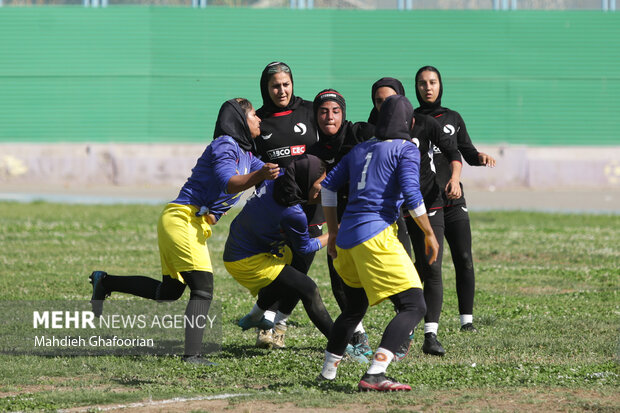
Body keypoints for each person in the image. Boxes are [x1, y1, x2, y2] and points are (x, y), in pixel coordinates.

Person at [88, 98, 280, 365]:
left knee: (170, 291)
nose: (259, 119)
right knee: (203, 287)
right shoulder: (225, 144)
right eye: (254, 115)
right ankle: (192, 355)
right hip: (181, 218)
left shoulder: (248, 156)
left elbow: (278, 178)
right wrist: (260, 177)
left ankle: (105, 281)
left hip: (188, 222)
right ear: (239, 120)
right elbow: (229, 182)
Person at [318, 95, 439, 391]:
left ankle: (327, 373)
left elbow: (328, 187)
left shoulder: (360, 149)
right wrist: (429, 232)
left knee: (354, 308)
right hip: (375, 236)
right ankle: (375, 372)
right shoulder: (406, 149)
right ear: (409, 123)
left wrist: (333, 232)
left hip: (346, 239)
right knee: (414, 304)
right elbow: (412, 194)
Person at [367, 77, 463, 359]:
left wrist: (455, 178)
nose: (385, 105)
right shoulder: (370, 131)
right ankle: (405, 330)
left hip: (427, 201)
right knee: (404, 272)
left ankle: (430, 334)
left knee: (431, 266)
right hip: (394, 209)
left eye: (391, 99)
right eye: (379, 101)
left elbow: (453, 153)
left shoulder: (423, 122)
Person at [414, 65, 496, 334]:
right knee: (429, 264)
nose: (428, 87)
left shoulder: (453, 118)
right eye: (423, 83)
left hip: (453, 199)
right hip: (426, 202)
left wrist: (480, 158)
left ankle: (466, 320)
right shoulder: (411, 120)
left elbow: (467, 153)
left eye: (433, 82)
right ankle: (415, 315)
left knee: (464, 257)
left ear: (440, 86)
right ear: (416, 88)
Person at [224, 154, 333, 343]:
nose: (324, 188)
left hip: (238, 247)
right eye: (321, 182)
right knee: (309, 289)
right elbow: (306, 247)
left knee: (287, 276)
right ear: (305, 181)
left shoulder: (279, 178)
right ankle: (341, 346)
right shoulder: (294, 213)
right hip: (246, 260)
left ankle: (255, 315)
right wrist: (335, 233)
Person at [251, 62, 323, 348]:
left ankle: (279, 322)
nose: (281, 90)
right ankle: (266, 321)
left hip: (312, 203)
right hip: (277, 205)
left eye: (285, 84)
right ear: (266, 89)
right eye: (275, 86)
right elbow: (251, 161)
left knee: (301, 267)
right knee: (279, 267)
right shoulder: (259, 120)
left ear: (293, 83)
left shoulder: (310, 111)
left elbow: (329, 146)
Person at [307, 89, 375, 358]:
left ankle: (406, 325)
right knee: (340, 282)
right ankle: (358, 333)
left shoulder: (358, 133)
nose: (329, 116)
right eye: (323, 111)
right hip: (339, 224)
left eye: (335, 111)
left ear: (343, 114)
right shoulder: (313, 152)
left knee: (381, 277)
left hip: (369, 219)